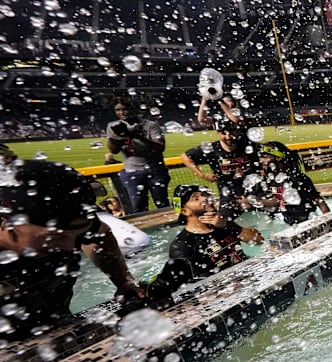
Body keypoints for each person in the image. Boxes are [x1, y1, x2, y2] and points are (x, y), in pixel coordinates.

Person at [0, 160, 145, 341]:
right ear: (5, 221)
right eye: (55, 237)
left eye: (78, 235)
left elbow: (101, 234)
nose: (69, 248)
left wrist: (123, 280)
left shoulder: (68, 224)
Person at [144, 185, 263, 298]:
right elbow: (193, 287)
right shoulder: (182, 246)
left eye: (203, 195)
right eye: (196, 198)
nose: (205, 198)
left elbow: (259, 240)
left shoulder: (223, 225)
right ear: (185, 211)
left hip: (249, 279)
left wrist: (228, 225)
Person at [181, 118, 260, 219]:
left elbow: (269, 151)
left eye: (231, 133)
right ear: (217, 133)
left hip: (253, 189)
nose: (228, 137)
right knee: (225, 218)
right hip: (228, 193)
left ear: (236, 131)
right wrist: (202, 175)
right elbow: (185, 157)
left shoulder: (247, 145)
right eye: (224, 133)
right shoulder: (211, 149)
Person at [106, 96, 170, 214]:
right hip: (132, 172)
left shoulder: (150, 125)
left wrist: (138, 135)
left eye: (125, 109)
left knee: (163, 205)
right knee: (137, 208)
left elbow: (160, 147)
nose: (122, 112)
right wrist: (117, 137)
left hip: (155, 170)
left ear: (133, 108)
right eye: (118, 110)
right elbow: (114, 150)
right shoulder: (113, 126)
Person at [252, 141, 330, 225]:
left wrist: (329, 219)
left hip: (307, 222)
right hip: (292, 223)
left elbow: (318, 199)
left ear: (278, 158)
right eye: (260, 157)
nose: (260, 160)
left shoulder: (296, 178)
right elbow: (277, 200)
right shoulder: (273, 179)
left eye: (264, 157)